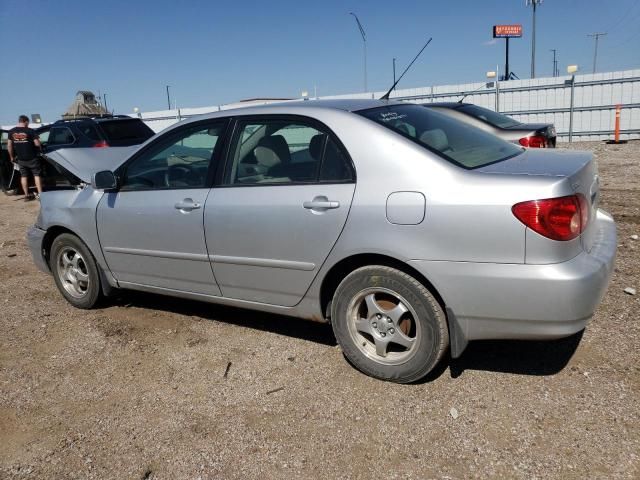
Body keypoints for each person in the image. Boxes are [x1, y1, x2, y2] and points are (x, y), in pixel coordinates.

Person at [7, 115, 43, 201]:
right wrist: (40, 150)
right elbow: (37, 144)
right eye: (28, 123)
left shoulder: (11, 132)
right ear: (26, 121)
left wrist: (11, 157)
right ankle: (41, 195)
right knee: (37, 175)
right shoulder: (30, 131)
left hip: (21, 159)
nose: (28, 124)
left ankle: (26, 195)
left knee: (23, 176)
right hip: (32, 158)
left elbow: (9, 146)